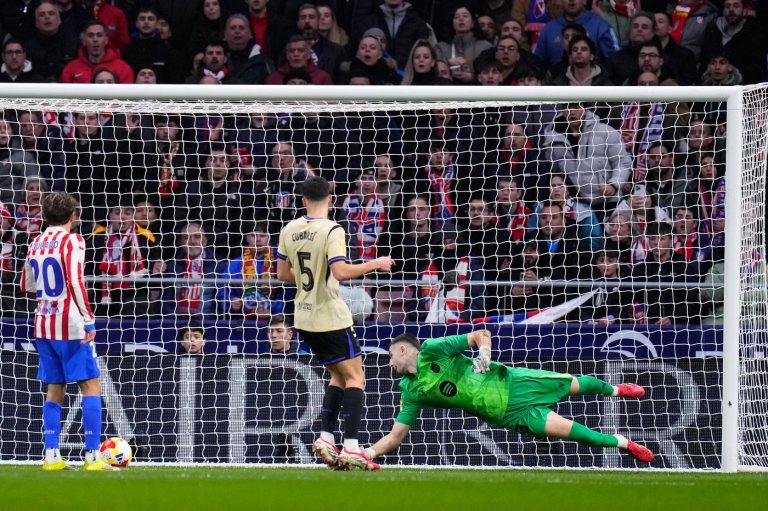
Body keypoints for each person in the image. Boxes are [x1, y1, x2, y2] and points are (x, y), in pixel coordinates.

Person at [364, 330, 654, 465]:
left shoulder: (432, 349)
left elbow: (481, 334)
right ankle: (625, 443)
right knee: (579, 435)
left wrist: (484, 354)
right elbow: (396, 436)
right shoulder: (410, 391)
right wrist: (367, 453)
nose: (388, 363)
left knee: (572, 384)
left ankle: (617, 390)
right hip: (509, 415)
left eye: (390, 356)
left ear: (403, 350)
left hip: (513, 383)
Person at [276, 175, 394, 470]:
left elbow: (282, 274)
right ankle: (352, 446)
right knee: (356, 377)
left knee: (337, 375)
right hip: (329, 314)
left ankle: (326, 437)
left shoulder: (289, 229)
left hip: (303, 317)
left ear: (303, 200)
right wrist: (376, 263)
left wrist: (310, 282)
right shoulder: (333, 229)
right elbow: (340, 273)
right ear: (330, 199)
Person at [20, 191, 117, 471]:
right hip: (70, 325)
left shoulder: (36, 242)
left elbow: (27, 284)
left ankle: (51, 456)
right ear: (73, 216)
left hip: (43, 324)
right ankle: (92, 457)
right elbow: (75, 281)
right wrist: (88, 319)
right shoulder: (74, 241)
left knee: (54, 389)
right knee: (90, 386)